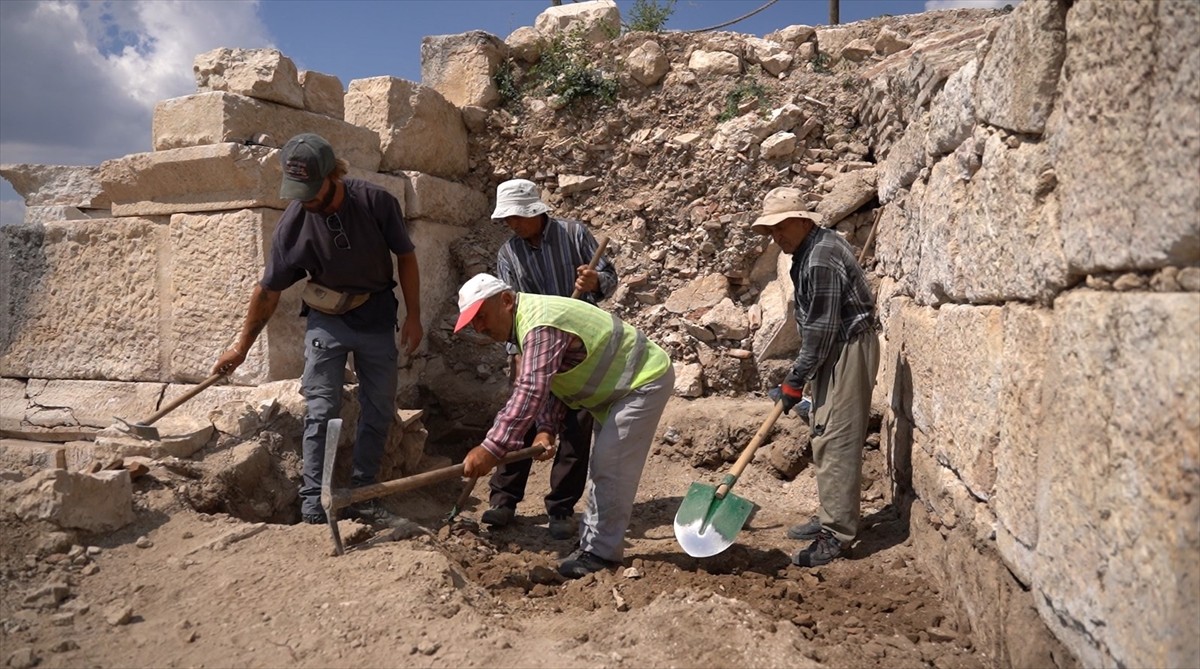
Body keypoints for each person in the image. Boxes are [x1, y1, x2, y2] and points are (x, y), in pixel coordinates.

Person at [212, 133, 423, 525]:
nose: (305, 199)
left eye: (312, 189)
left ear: (332, 175)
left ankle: (363, 494)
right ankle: (314, 502)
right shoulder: (294, 225)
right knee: (322, 409)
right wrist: (240, 349)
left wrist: (414, 316)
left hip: (376, 314)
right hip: (328, 319)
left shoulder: (375, 202)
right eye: (298, 191)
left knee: (378, 408)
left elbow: (406, 257)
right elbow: (268, 291)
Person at [455, 273, 674, 579]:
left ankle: (601, 554)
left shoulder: (539, 323)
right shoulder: (526, 325)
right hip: (616, 390)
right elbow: (557, 380)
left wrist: (491, 447)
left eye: (482, 317)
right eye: (472, 323)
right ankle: (594, 544)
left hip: (641, 381)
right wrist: (546, 427)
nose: (480, 328)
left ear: (505, 301)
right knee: (605, 466)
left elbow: (531, 389)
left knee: (610, 466)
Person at [481, 179, 619, 541]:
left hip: (577, 351)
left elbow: (609, 277)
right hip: (533, 347)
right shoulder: (508, 255)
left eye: (517, 217)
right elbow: (506, 309)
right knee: (524, 420)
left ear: (535, 211)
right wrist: (516, 357)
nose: (512, 224)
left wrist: (594, 282)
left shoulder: (574, 235)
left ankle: (560, 506)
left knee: (575, 428)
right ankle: (504, 499)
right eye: (507, 219)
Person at [752, 186, 879, 567]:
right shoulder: (804, 252)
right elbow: (814, 328)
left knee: (836, 437)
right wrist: (802, 375)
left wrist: (795, 379)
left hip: (847, 347)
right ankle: (831, 515)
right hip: (831, 348)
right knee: (823, 429)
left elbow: (821, 330)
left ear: (803, 220)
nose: (776, 236)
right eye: (770, 230)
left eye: (781, 227)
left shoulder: (821, 258)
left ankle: (836, 533)